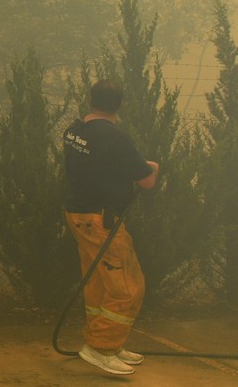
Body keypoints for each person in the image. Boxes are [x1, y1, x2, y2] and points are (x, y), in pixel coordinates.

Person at [62, 79, 159, 375]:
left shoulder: (74, 131)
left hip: (78, 216)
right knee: (128, 288)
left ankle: (105, 342)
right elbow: (147, 181)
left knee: (98, 284)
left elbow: (97, 166)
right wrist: (153, 167)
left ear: (91, 100)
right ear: (119, 106)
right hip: (102, 221)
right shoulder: (115, 137)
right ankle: (101, 348)